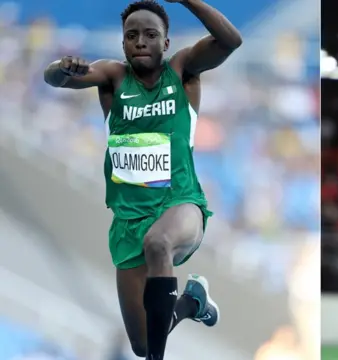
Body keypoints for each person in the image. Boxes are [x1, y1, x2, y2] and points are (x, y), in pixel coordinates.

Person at [42, 1, 242, 359]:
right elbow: (55, 79)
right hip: (128, 220)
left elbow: (230, 41)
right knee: (142, 344)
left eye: (150, 35)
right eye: (131, 36)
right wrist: (61, 67)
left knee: (159, 243)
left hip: (180, 204)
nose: (140, 42)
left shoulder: (182, 71)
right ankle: (192, 302)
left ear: (165, 44)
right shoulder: (113, 77)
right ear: (122, 44)